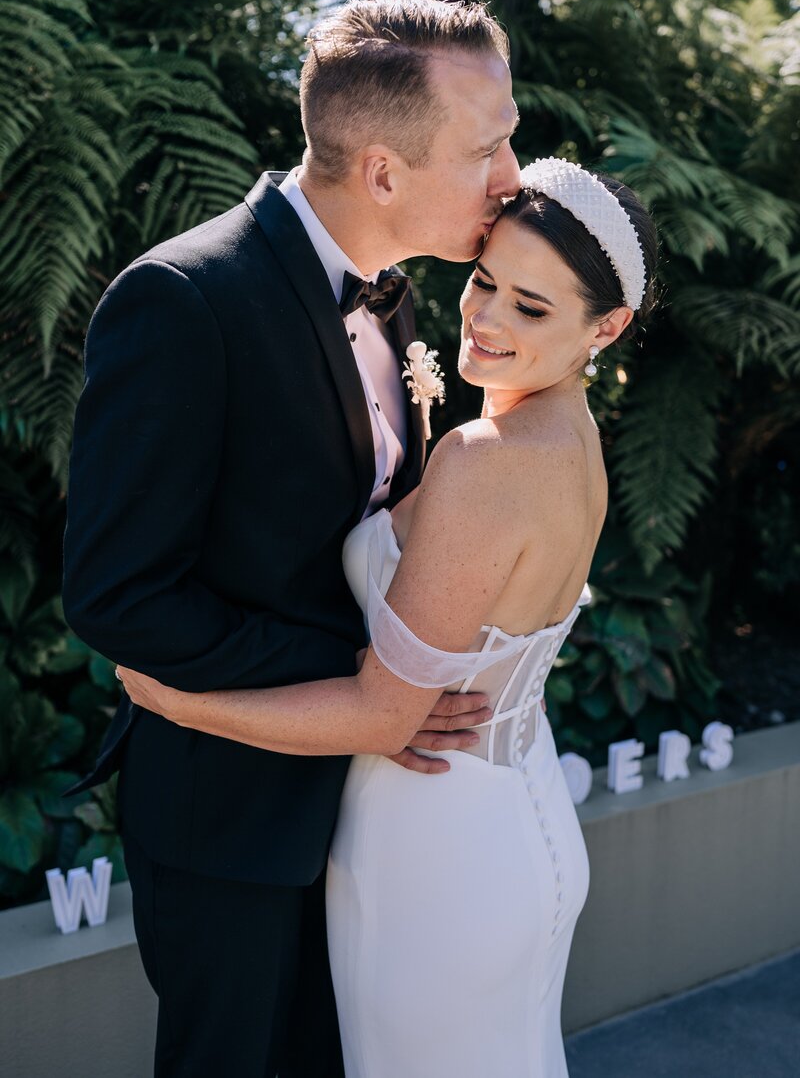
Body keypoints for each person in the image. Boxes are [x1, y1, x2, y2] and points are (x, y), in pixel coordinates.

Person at [62, 0, 521, 1077]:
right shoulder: (181, 300)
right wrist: (370, 684)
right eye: (487, 147)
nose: (511, 179)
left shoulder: (400, 300)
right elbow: (119, 595)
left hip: (378, 813)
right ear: (379, 172)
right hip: (231, 822)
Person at [119, 157, 659, 1076]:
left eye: (531, 308)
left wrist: (179, 703)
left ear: (604, 327)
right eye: (486, 282)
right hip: (516, 811)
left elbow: (383, 713)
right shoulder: (573, 437)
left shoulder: (486, 460)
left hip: (435, 849)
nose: (485, 319)